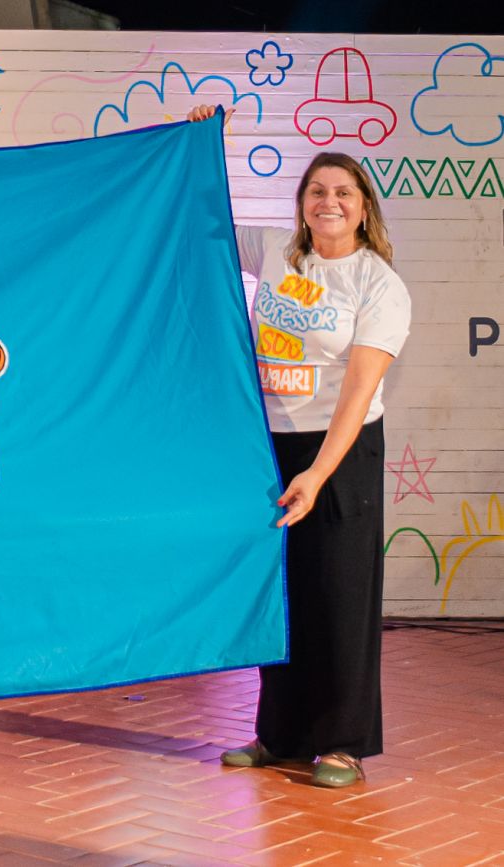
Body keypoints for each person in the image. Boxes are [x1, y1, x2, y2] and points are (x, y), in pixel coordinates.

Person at [187, 104, 411, 787]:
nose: (328, 201)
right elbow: (201, 222)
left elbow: (358, 393)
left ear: (364, 208)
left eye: (343, 191)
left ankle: (342, 744)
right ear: (302, 204)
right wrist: (202, 144)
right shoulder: (279, 253)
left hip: (340, 452)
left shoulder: (378, 284)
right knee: (280, 592)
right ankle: (279, 735)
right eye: (317, 190)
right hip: (273, 448)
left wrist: (317, 474)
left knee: (339, 593)